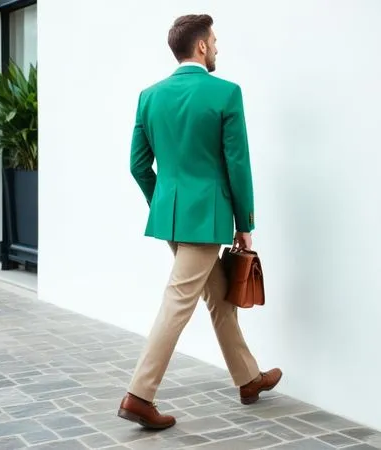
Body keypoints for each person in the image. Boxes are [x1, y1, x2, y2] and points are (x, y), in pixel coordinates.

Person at [117, 14, 282, 430]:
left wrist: (165, 203)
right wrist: (244, 222)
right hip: (207, 218)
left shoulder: (149, 96)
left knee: (221, 297)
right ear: (202, 47)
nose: (217, 48)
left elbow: (138, 165)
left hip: (172, 216)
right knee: (178, 301)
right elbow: (237, 163)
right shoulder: (225, 93)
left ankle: (248, 379)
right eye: (214, 40)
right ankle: (139, 395)